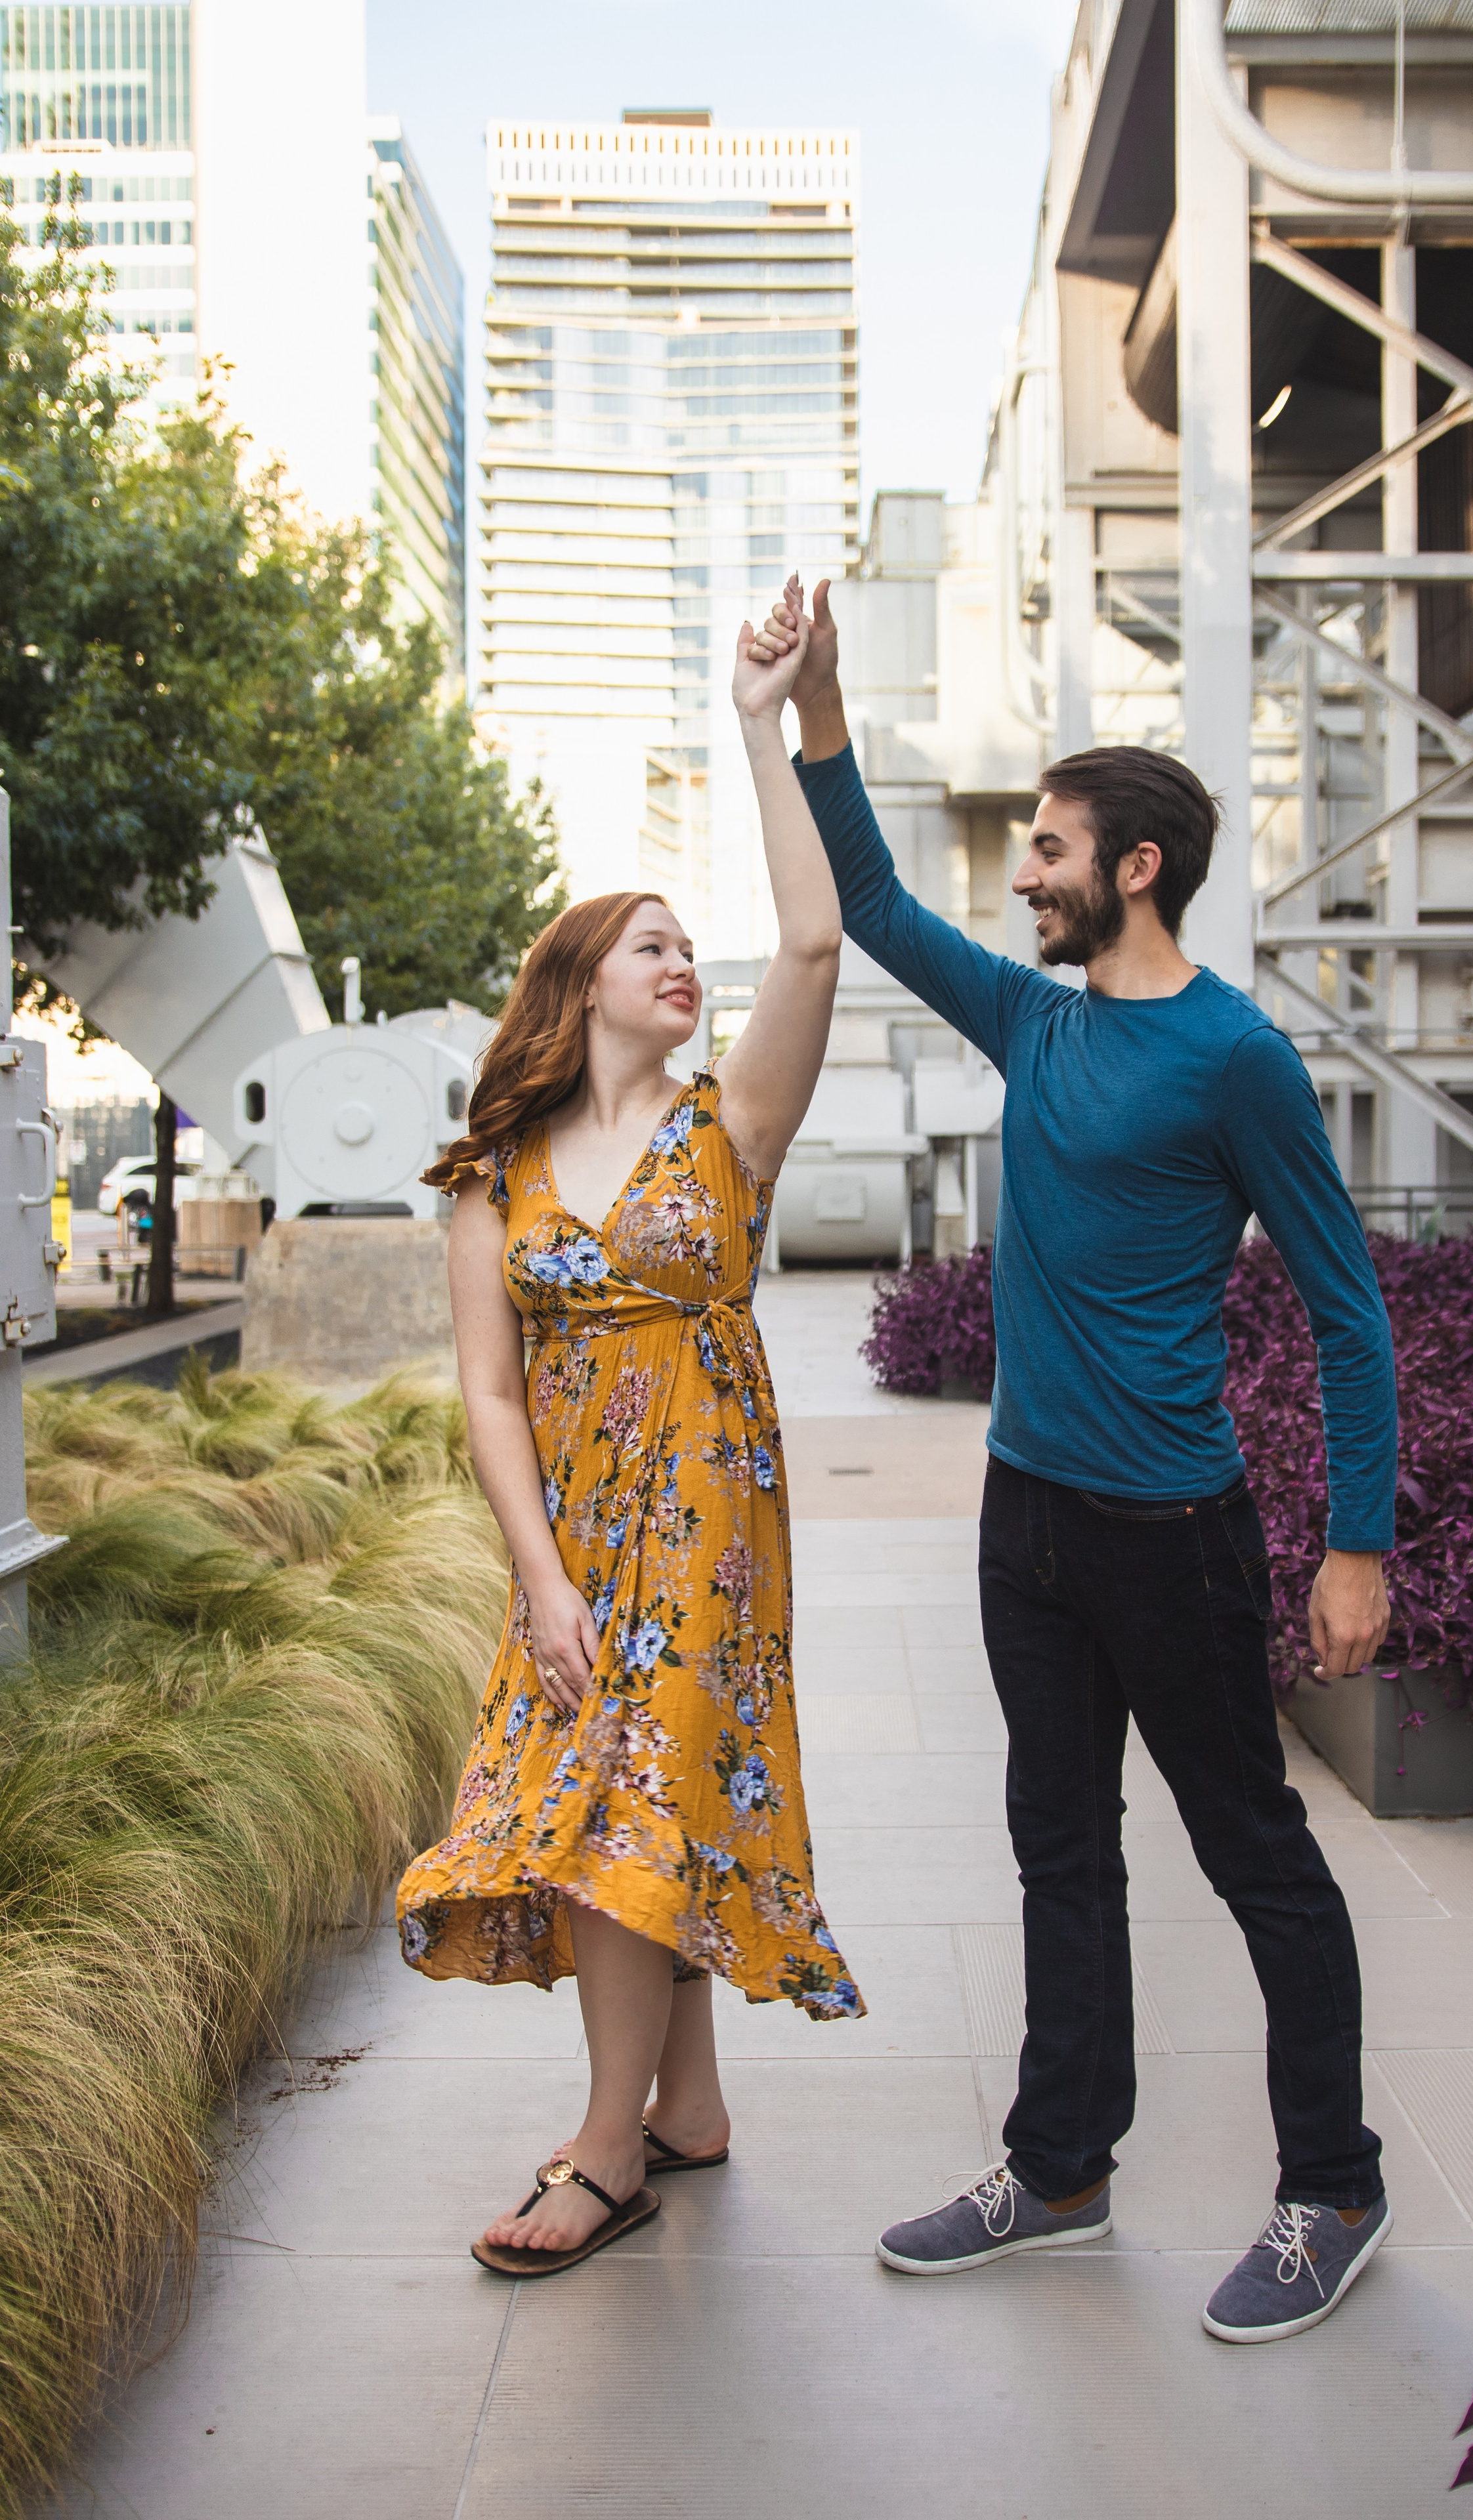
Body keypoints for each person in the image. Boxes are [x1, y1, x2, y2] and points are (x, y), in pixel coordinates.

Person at [748, 578, 1398, 2343]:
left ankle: (1332, 2186)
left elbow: (1350, 1314)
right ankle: (1060, 2166)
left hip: (1174, 1528)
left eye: (1047, 848)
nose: (1023, 872)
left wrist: (1356, 1545)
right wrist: (816, 709)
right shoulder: (1035, 1019)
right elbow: (873, 901)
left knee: (1256, 1849)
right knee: (1056, 1846)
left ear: (1136, 869)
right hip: (1023, 1512)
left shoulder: (1236, 1060)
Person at [397, 586, 861, 2280]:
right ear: (579, 982)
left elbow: (811, 944)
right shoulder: (492, 1177)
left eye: (690, 947)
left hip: (711, 1514)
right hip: (573, 1532)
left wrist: (763, 723)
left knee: (623, 1806)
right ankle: (691, 2109)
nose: (689, 963)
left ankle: (606, 2153)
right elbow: (491, 1392)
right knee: (623, 1793)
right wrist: (537, 1577)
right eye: (654, 942)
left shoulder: (731, 1123)